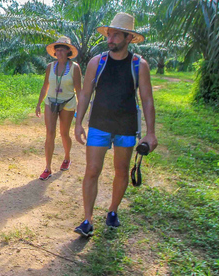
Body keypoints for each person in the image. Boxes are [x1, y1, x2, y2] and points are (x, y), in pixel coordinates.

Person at [72, 13, 157, 237]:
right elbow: (85, 94)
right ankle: (87, 220)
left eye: (116, 35)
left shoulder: (140, 65)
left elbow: (147, 99)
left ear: (129, 37)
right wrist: (78, 123)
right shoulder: (96, 62)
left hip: (126, 126)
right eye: (109, 35)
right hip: (99, 123)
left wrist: (151, 133)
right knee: (92, 170)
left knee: (121, 170)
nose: (110, 39)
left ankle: (112, 210)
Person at [35, 36, 83, 180]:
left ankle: (67, 157)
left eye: (63, 50)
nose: (60, 52)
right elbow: (45, 87)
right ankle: (48, 168)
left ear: (68, 52)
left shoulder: (75, 68)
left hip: (67, 103)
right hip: (51, 102)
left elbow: (79, 89)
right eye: (58, 50)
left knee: (64, 133)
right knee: (50, 133)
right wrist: (38, 103)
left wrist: (81, 108)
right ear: (55, 52)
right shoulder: (50, 67)